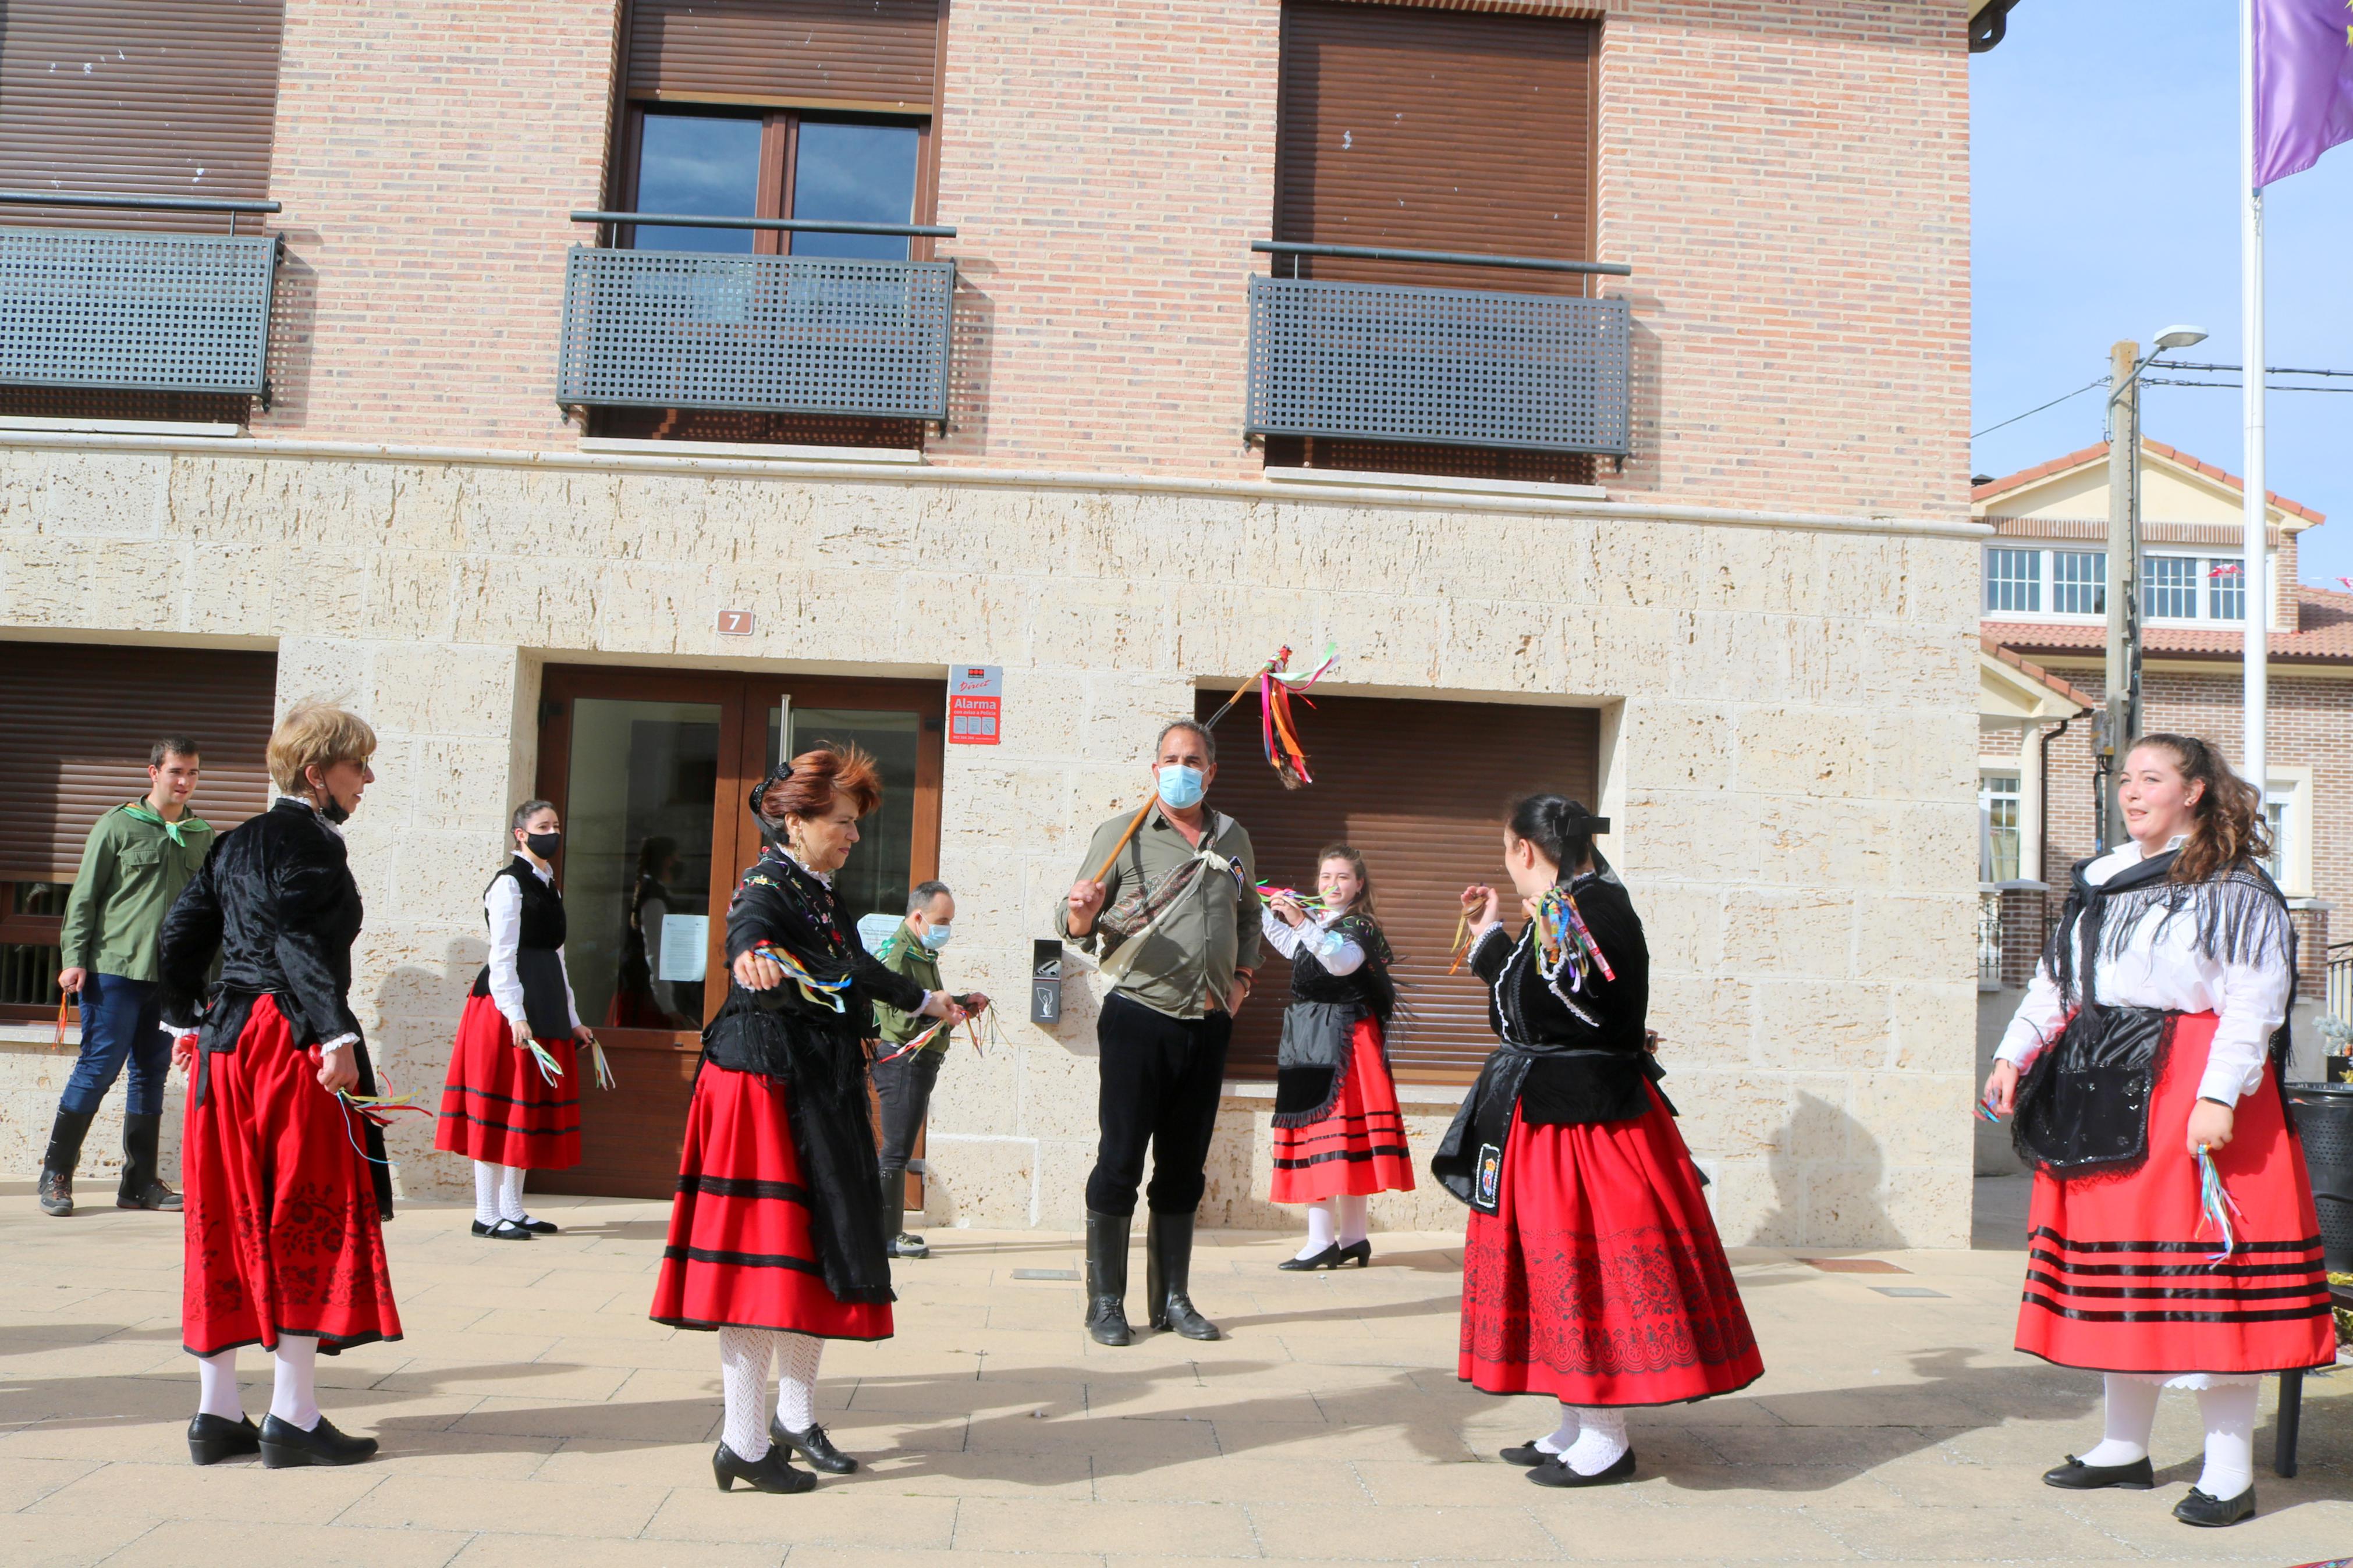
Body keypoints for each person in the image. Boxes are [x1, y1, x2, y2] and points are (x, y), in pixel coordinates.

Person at [1985, 734, 2335, 1530]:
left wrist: (2217, 1097)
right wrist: (2012, 1052)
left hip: (2192, 1088)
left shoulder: (2230, 886)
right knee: (2124, 1275)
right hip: (2097, 1083)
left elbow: (2253, 1002)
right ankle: (2122, 1445)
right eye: (2126, 778)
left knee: (2203, 1277)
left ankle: (2226, 1470)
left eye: (2151, 778)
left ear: (2194, 793)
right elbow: (2056, 983)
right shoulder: (2100, 881)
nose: (2132, 791)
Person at [650, 746, 975, 1495]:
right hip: (762, 1085)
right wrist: (751, 958)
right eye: (842, 823)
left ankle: (793, 1418)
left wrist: (932, 1001)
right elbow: (748, 934)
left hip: (817, 1082)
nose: (853, 836)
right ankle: (741, 1437)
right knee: (762, 1266)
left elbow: (857, 966)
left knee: (817, 1253)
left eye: (855, 825)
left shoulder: (822, 892)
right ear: (794, 822)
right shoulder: (766, 884)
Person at [1435, 794, 1761, 1487]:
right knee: (1551, 1273)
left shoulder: (1577, 911)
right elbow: (1546, 1009)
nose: (1507, 863)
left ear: (1525, 850)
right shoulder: (1573, 907)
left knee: (1582, 1273)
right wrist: (1497, 936)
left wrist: (1502, 944)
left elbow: (1541, 1014)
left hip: (1584, 1130)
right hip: (1556, 1119)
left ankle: (1606, 1435)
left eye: (1506, 850)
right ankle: (1577, 1419)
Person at [157, 703, 399, 1469]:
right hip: (287, 1042)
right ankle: (292, 1416)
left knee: (227, 1211)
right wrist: (333, 1034)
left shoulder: (233, 841)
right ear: (315, 772)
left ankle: (216, 1412)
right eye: (356, 764)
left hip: (229, 1042)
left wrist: (184, 1021)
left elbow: (180, 934)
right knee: (302, 1208)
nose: (366, 779)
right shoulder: (314, 847)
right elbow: (298, 941)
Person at [1059, 718, 1261, 1345]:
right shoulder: (1122, 835)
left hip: (1206, 1023)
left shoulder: (1233, 837)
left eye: (1192, 758)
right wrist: (1077, 914)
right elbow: (1073, 919)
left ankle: (1172, 1299)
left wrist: (1243, 979)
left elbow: (1248, 912)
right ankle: (1105, 1303)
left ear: (1211, 771)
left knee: (1183, 1167)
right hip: (1138, 1016)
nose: (1181, 767)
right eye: (1170, 758)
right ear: (1154, 769)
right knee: (1119, 1160)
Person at [40, 738, 214, 1217]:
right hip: (113, 970)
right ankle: (56, 1175)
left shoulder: (202, 834)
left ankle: (139, 1184)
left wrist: (208, 979)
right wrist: (74, 957)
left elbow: (210, 914)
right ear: (153, 773)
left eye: (194, 773)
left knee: (152, 1075)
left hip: (171, 979)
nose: (185, 781)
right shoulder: (117, 825)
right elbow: (85, 897)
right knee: (97, 1069)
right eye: (176, 771)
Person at [435, 800, 601, 1239]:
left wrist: (572, 1018)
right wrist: (514, 1013)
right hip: (507, 1007)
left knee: (524, 1110)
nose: (552, 832)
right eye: (542, 825)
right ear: (520, 834)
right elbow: (502, 954)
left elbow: (558, 959)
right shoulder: (508, 885)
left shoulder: (549, 885)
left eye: (556, 825)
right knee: (500, 1106)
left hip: (544, 1001)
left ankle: (513, 1207)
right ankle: (486, 1213)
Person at [1262, 845, 1414, 1269]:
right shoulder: (1320, 924)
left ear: (1359, 884)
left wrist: (1300, 922)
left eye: (1343, 877)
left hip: (1344, 1039)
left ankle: (1322, 1241)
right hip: (1311, 1034)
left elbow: (1341, 964)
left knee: (1325, 1134)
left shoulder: (1359, 927)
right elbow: (1294, 949)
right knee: (1338, 1136)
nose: (1332, 884)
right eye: (1326, 876)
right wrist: (1263, 909)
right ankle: (1352, 1238)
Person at [871, 879, 959, 1260]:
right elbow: (895, 1018)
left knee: (900, 1148)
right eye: (942, 920)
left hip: (920, 1060)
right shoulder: (898, 954)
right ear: (919, 916)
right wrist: (941, 1020)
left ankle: (890, 1232)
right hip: (902, 1060)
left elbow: (928, 1004)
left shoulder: (921, 951)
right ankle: (885, 1235)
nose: (946, 929)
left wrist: (961, 1003)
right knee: (895, 1150)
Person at [609, 835, 686, 1027]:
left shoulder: (655, 894)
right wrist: (667, 1006)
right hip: (646, 998)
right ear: (668, 861)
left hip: (644, 993)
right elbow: (656, 952)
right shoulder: (654, 900)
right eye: (677, 857)